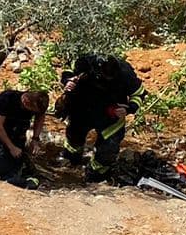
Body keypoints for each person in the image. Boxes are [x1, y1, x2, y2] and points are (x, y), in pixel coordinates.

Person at [56, 52, 143, 182]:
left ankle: (95, 177)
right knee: (74, 140)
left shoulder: (126, 73)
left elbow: (139, 94)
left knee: (107, 152)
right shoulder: (85, 61)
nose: (108, 79)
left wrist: (129, 108)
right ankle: (70, 165)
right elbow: (68, 69)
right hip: (82, 110)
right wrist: (68, 81)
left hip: (111, 117)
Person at [0, 88, 48, 188]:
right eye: (32, 110)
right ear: (26, 101)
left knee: (15, 162)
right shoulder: (7, 98)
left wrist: (35, 139)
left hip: (16, 137)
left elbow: (40, 117)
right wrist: (11, 147)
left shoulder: (36, 105)